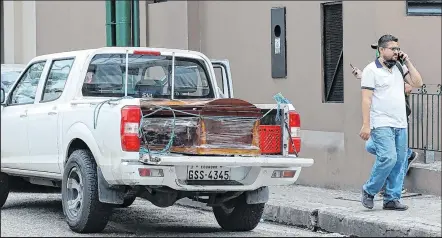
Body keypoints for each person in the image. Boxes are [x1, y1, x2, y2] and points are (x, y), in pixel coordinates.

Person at [359, 34, 423, 211]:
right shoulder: (371, 70)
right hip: (381, 122)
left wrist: (407, 62)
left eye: (397, 48)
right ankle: (369, 190)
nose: (396, 52)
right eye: (392, 49)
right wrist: (366, 124)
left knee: (400, 161)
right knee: (388, 157)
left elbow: (418, 82)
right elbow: (366, 100)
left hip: (400, 122)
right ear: (381, 50)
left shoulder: (399, 67)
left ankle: (391, 199)